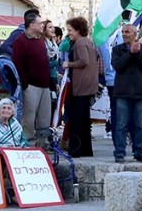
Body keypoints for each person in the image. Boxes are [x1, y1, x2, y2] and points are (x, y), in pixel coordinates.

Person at [110, 24, 142, 164]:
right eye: (122, 31)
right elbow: (118, 66)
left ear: (135, 34)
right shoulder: (117, 50)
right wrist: (130, 53)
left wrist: (138, 53)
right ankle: (120, 152)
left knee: (139, 124)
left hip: (140, 92)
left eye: (127, 32)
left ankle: (139, 150)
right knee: (121, 124)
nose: (124, 34)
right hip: (123, 92)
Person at [11, 12, 53, 146]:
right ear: (31, 25)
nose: (42, 25)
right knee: (29, 117)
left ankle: (43, 143)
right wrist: (25, 84)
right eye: (40, 23)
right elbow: (17, 64)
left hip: (44, 85)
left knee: (44, 116)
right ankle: (28, 143)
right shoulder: (20, 42)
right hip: (31, 85)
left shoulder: (39, 40)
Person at [62, 17, 98, 157]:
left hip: (82, 86)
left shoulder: (80, 43)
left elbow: (84, 61)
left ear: (77, 30)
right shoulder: (87, 42)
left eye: (70, 30)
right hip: (87, 85)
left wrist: (68, 64)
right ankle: (86, 150)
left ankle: (75, 150)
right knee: (84, 120)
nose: (69, 33)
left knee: (77, 120)